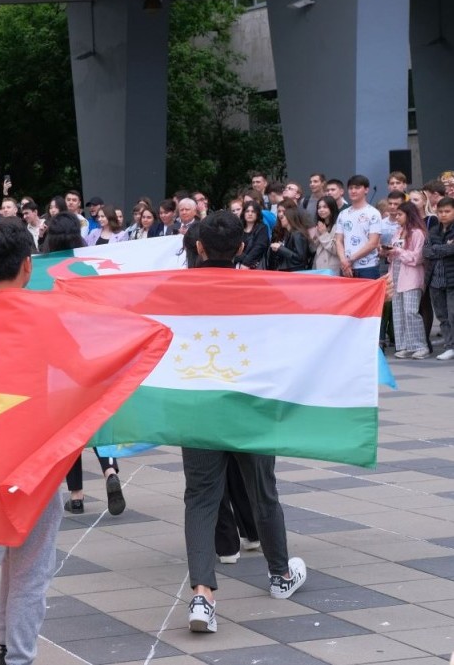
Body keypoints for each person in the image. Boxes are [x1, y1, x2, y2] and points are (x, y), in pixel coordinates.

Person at [184, 211, 306, 634]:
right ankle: (279, 574)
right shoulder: (259, 286)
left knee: (201, 499)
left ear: (199, 248)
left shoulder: (174, 291)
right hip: (250, 407)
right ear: (240, 249)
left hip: (197, 407)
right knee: (263, 492)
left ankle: (202, 595)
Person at [0, 219, 65, 665]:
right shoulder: (45, 317)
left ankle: (7, 648)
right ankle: (19, 658)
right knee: (31, 568)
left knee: (15, 557)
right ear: (29, 265)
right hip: (35, 461)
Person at [43, 213, 127, 516]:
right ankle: (110, 472)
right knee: (97, 419)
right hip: (92, 355)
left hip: (59, 360)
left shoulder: (42, 270)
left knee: (69, 428)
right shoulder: (89, 266)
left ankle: (76, 494)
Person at [388, 202, 429, 359]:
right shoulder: (398, 232)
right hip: (396, 274)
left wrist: (398, 251)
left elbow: (417, 258)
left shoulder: (418, 233)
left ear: (409, 215)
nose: (397, 217)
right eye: (396, 215)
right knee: (398, 312)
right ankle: (405, 345)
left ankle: (421, 345)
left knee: (411, 311)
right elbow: (395, 255)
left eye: (400, 214)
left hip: (411, 276)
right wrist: (388, 252)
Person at [335, 174, 384, 279]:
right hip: (346, 267)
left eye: (357, 188)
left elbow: (373, 243)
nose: (353, 191)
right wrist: (344, 261)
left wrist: (351, 260)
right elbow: (338, 240)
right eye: (351, 188)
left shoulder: (373, 213)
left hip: (368, 267)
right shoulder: (343, 214)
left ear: (366, 190)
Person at [424, 197, 454, 361]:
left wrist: (438, 249)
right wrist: (445, 248)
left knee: (453, 314)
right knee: (442, 316)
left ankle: (452, 346)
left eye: (447, 211)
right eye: (441, 211)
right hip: (435, 279)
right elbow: (426, 252)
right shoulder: (434, 230)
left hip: (451, 280)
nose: (443, 215)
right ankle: (449, 347)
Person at [267, 201, 313, 272]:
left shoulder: (298, 234)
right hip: (287, 270)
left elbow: (300, 258)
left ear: (290, 218)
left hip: (295, 272)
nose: (281, 219)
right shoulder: (288, 233)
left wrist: (280, 248)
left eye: (283, 217)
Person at [235, 201, 269, 269]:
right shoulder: (238, 228)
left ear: (257, 214)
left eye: (253, 211)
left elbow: (259, 247)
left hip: (254, 266)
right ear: (244, 213)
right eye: (247, 211)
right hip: (237, 264)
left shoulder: (262, 228)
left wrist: (246, 263)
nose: (250, 214)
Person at [312, 196, 341, 271]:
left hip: (332, 268)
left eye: (325, 207)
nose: (321, 210)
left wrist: (324, 234)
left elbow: (336, 250)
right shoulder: (319, 225)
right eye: (319, 207)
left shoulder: (338, 226)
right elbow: (313, 248)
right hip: (318, 267)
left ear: (332, 208)